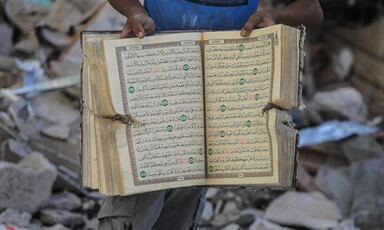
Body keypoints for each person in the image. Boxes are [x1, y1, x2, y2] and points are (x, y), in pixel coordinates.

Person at [97, 1, 323, 229]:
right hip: (157, 80)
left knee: (181, 205)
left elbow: (312, 10)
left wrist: (276, 16)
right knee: (132, 201)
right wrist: (135, 11)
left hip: (217, 96)